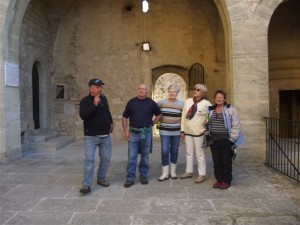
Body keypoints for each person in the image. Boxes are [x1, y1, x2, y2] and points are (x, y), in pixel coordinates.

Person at [122, 84, 162, 188]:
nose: (141, 90)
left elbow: (159, 115)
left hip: (146, 133)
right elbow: (124, 117)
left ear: (147, 91)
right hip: (133, 133)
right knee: (132, 156)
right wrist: (126, 130)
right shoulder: (131, 102)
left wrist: (152, 124)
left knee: (145, 156)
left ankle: (143, 175)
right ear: (137, 90)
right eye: (139, 89)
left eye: (143, 89)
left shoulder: (151, 103)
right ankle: (130, 178)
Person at [79, 78, 113, 194]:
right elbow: (83, 116)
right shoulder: (85, 101)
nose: (100, 89)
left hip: (105, 135)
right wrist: (94, 104)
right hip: (91, 136)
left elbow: (107, 111)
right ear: (91, 88)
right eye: (97, 87)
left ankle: (101, 178)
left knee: (106, 159)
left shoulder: (103, 98)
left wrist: (111, 122)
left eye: (100, 87)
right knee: (89, 160)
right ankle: (87, 184)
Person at [207, 89, 245, 189]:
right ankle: (219, 180)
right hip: (213, 140)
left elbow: (236, 125)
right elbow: (207, 123)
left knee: (226, 161)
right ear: (214, 99)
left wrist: (232, 139)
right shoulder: (210, 110)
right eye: (217, 97)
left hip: (225, 140)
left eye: (221, 97)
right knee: (216, 161)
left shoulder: (231, 110)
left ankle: (226, 181)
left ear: (224, 99)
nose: (219, 99)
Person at [180, 84, 212, 183]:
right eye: (194, 89)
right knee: (188, 153)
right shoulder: (188, 101)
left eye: (198, 89)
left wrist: (207, 121)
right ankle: (189, 171)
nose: (195, 91)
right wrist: (182, 130)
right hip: (188, 131)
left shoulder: (206, 103)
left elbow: (210, 114)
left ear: (202, 92)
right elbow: (183, 116)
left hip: (199, 132)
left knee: (200, 154)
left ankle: (202, 174)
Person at [157, 85, 184, 181]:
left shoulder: (181, 104)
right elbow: (153, 109)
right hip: (164, 130)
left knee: (174, 150)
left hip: (176, 131)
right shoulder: (162, 103)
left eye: (174, 92)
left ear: (177, 93)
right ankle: (165, 173)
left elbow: (184, 118)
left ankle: (173, 172)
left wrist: (182, 131)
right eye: (170, 91)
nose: (172, 93)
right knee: (164, 151)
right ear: (168, 92)